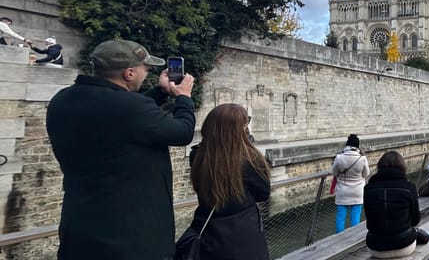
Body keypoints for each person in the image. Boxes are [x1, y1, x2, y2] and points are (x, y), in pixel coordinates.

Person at [46, 39, 195, 259]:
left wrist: (160, 92)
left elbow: (120, 116)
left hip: (79, 230)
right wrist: (183, 98)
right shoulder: (129, 108)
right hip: (129, 237)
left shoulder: (62, 100)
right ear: (129, 74)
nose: (147, 73)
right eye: (145, 68)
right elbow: (182, 133)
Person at [185, 103, 270, 259]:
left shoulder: (197, 155)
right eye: (245, 124)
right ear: (238, 129)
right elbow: (263, 194)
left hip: (208, 231)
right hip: (243, 236)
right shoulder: (250, 160)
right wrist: (249, 145)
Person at [364, 151, 429, 258]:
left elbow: (369, 219)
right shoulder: (409, 187)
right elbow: (415, 220)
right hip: (404, 245)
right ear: (402, 167)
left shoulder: (368, 189)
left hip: (375, 246)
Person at [332, 134, 370, 233]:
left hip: (342, 191)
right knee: (355, 216)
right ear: (358, 146)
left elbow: (334, 173)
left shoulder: (339, 157)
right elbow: (366, 174)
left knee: (341, 217)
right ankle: (354, 237)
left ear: (347, 145)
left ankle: (339, 238)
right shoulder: (362, 159)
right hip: (357, 191)